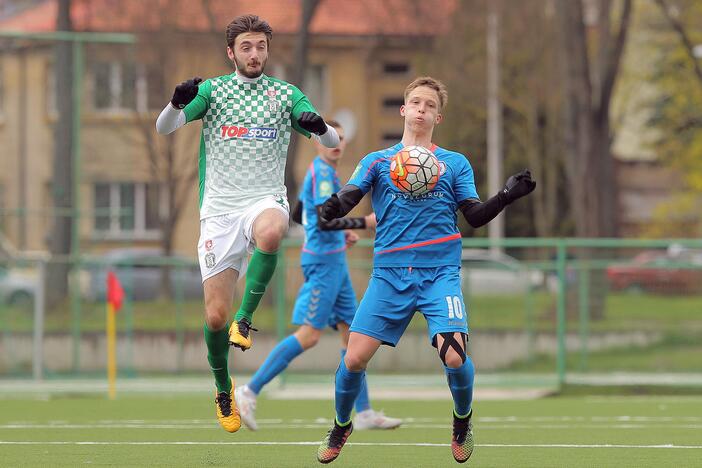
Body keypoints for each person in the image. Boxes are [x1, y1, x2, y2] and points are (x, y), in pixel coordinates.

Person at [314, 77, 536, 464]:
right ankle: (341, 424)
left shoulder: (454, 163)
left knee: (454, 354)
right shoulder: (378, 161)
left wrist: (505, 195)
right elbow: (353, 194)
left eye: (429, 105)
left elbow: (475, 216)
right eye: (414, 102)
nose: (421, 109)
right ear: (403, 110)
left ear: (438, 116)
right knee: (353, 359)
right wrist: (335, 206)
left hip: (439, 274)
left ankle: (462, 420)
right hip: (389, 275)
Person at [155, 14, 340, 434]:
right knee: (214, 317)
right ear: (231, 52)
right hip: (219, 210)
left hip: (264, 199)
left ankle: (247, 318)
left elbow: (330, 142)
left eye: (260, 47)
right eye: (246, 47)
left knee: (274, 230)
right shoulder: (215, 92)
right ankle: (223, 387)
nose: (254, 54)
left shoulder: (284, 94)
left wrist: (320, 127)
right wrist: (175, 102)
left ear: (267, 50)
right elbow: (163, 128)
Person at [234, 120, 401, 431]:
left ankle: (363, 412)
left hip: (333, 260)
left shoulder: (322, 172)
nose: (334, 143)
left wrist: (340, 236)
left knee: (353, 336)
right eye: (328, 138)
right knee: (310, 336)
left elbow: (302, 215)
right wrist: (363, 223)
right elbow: (323, 222)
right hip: (323, 265)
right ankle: (248, 391)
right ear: (315, 141)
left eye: (339, 138)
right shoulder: (322, 174)